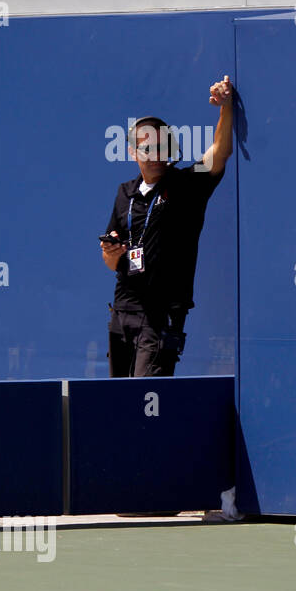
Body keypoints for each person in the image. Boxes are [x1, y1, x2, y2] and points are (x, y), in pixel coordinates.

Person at [100, 76, 234, 380]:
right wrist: (112, 252)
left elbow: (220, 151)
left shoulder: (187, 184)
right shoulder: (125, 192)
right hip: (123, 312)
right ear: (134, 153)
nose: (157, 154)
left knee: (148, 399)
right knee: (117, 401)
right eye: (148, 148)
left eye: (163, 145)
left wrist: (224, 107)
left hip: (161, 316)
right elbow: (112, 264)